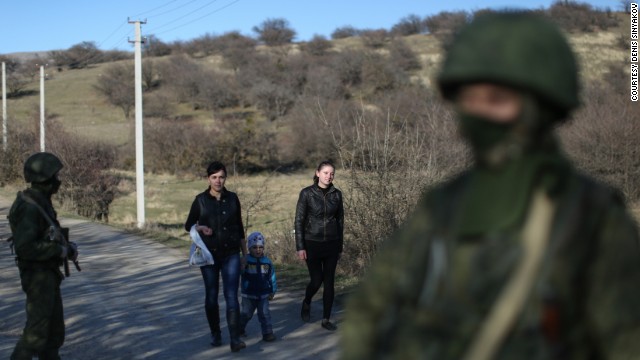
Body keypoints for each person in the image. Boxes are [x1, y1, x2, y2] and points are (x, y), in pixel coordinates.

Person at [341, 12, 640, 360]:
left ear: (542, 106)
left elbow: (626, 341)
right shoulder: (442, 205)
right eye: (469, 99)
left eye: (497, 99)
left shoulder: (591, 216)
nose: (478, 113)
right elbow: (370, 309)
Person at [8, 152, 78, 360]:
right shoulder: (30, 207)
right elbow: (26, 247)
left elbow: (46, 235)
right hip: (37, 277)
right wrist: (59, 251)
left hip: (47, 274)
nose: (58, 181)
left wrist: (67, 246)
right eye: (55, 177)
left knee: (53, 334)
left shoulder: (40, 200)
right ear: (45, 180)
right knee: (36, 335)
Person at [184, 161, 248, 352]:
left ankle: (235, 338)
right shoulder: (200, 200)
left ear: (225, 177)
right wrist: (199, 227)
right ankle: (215, 332)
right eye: (214, 177)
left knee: (231, 296)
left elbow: (240, 228)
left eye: (221, 177)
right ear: (208, 178)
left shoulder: (233, 199)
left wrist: (245, 254)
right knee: (211, 296)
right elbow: (188, 225)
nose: (218, 181)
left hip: (231, 255)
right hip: (209, 256)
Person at [295, 160, 344, 331]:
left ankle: (326, 319)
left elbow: (340, 221)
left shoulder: (337, 195)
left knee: (329, 282)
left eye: (332, 173)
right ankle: (307, 301)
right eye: (325, 173)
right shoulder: (306, 193)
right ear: (317, 173)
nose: (329, 176)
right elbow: (299, 220)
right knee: (316, 280)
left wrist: (340, 246)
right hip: (312, 243)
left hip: (331, 244)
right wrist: (300, 246)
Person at [239, 231, 277, 342]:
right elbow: (240, 273)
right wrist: (242, 266)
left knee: (264, 314)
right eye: (254, 247)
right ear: (249, 248)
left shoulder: (266, 262)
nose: (258, 250)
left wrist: (272, 290)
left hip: (263, 293)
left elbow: (271, 277)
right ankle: (239, 328)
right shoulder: (246, 260)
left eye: (261, 247)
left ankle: (267, 333)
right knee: (246, 314)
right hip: (248, 294)